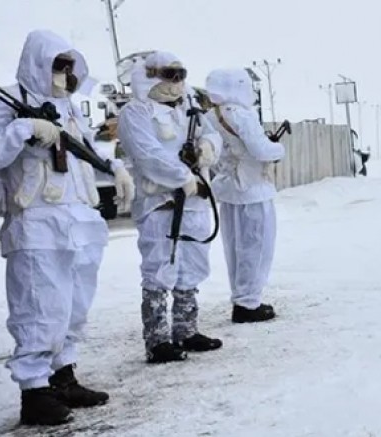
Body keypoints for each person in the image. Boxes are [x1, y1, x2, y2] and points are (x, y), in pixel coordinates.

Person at [0, 29, 135, 426]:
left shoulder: (67, 106)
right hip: (36, 223)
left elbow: (84, 149)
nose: (63, 72)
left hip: (78, 220)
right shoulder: (6, 100)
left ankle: (64, 375)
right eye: (57, 64)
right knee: (39, 306)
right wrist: (25, 128)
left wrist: (113, 166)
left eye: (68, 65)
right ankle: (34, 391)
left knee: (73, 307)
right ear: (39, 62)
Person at [117, 51, 224, 364]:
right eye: (169, 74)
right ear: (150, 75)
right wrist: (183, 178)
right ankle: (157, 340)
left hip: (193, 201)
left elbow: (213, 136)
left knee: (191, 265)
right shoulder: (136, 112)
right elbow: (147, 154)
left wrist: (207, 149)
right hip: (158, 201)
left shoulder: (189, 107)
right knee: (159, 268)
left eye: (180, 74)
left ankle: (186, 330)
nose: (176, 82)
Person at [203, 68, 285, 323]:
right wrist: (278, 148)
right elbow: (261, 150)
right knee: (257, 246)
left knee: (235, 249)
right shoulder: (242, 114)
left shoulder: (210, 116)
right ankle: (248, 303)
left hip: (228, 188)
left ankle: (242, 297)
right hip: (252, 188)